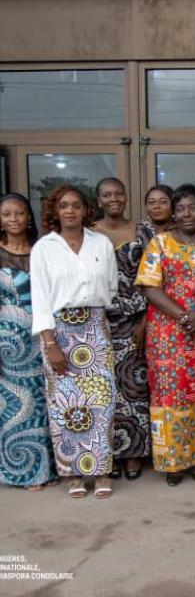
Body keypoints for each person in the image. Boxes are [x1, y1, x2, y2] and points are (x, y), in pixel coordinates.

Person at [135, 184, 195, 486]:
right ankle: (173, 462)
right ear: (174, 212)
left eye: (193, 207)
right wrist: (185, 315)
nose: (187, 213)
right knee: (169, 395)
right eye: (181, 208)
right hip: (167, 334)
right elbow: (149, 286)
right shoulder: (159, 244)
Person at [31, 185, 119, 498]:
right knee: (65, 405)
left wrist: (94, 317)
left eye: (76, 205)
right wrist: (50, 343)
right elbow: (40, 297)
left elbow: (111, 286)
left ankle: (102, 469)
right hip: (59, 332)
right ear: (55, 211)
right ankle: (73, 473)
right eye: (64, 206)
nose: (70, 211)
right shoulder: (44, 248)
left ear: (85, 210)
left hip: (95, 328)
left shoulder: (101, 243)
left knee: (102, 401)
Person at [92, 177, 150, 480]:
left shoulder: (144, 231)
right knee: (104, 389)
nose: (113, 198)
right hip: (98, 320)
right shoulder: (88, 234)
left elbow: (155, 279)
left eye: (118, 194)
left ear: (126, 197)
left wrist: (145, 322)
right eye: (107, 195)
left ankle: (134, 454)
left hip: (136, 318)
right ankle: (109, 453)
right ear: (99, 200)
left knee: (135, 387)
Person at [0, 193, 58, 491]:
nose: (13, 219)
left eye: (19, 213)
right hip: (8, 341)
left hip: (43, 334)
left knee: (46, 403)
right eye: (7, 214)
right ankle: (24, 472)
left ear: (28, 217)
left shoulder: (41, 251)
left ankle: (50, 465)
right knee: (16, 405)